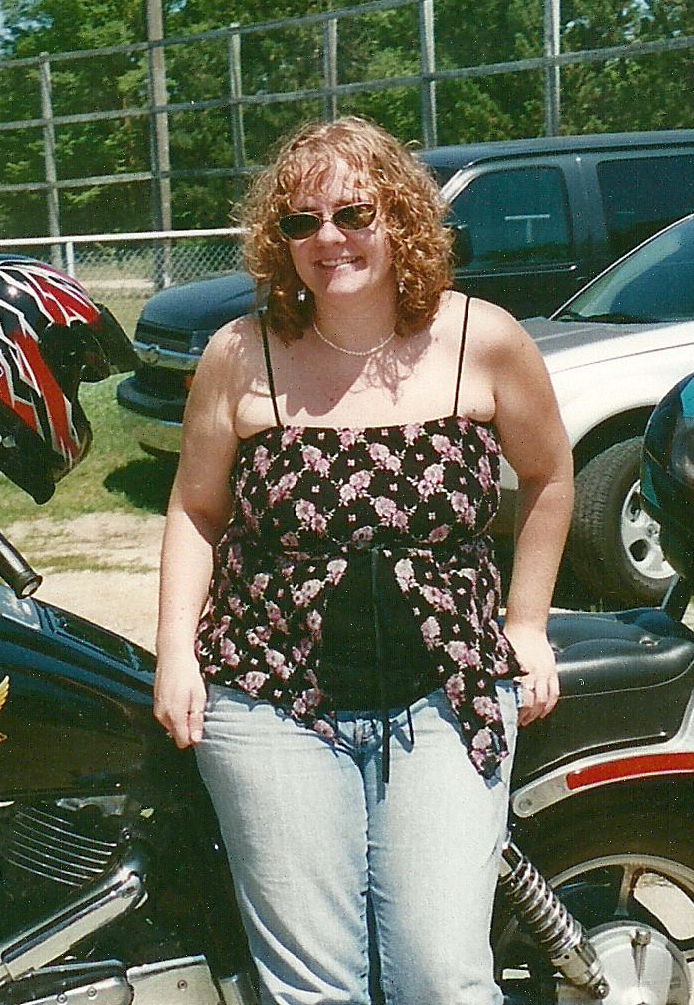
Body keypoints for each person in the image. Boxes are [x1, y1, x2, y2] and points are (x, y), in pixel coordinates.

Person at [153, 115, 574, 1005]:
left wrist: (528, 623)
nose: (329, 239)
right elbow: (195, 508)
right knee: (315, 989)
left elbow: (548, 475)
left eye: (353, 214)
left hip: (447, 692)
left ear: (402, 219)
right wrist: (176, 655)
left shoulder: (483, 339)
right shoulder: (239, 355)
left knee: (441, 978)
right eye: (301, 222)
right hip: (267, 697)